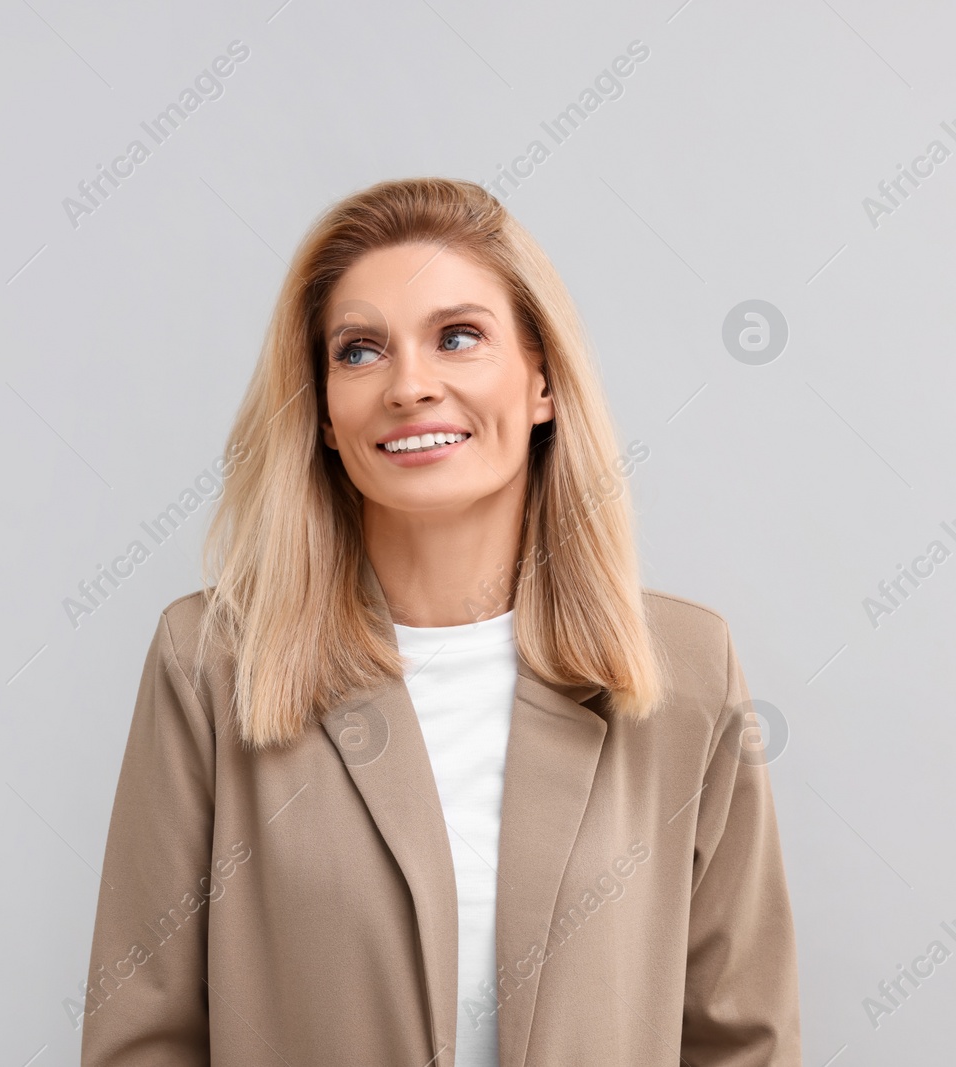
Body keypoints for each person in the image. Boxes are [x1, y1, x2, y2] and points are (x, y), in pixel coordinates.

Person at [79, 177, 801, 1066]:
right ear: (325, 417)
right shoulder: (211, 664)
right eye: (359, 351)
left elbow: (741, 1038)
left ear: (542, 381)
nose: (410, 385)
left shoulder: (687, 666)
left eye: (458, 337)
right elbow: (142, 1034)